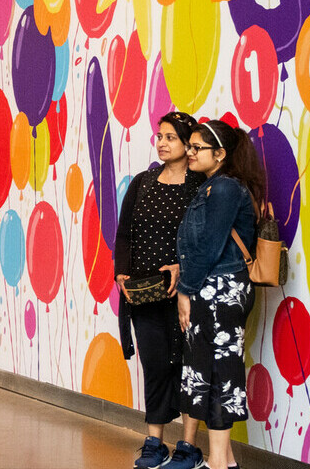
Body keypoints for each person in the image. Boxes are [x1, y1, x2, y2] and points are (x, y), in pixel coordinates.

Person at [166, 119, 268, 469]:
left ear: (220, 154)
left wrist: (185, 291)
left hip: (220, 290)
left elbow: (209, 248)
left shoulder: (224, 189)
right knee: (208, 371)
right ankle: (224, 461)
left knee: (220, 371)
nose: (190, 153)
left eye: (197, 148)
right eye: (189, 147)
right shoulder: (213, 187)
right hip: (212, 290)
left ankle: (218, 463)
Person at [114, 112, 205, 469]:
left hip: (187, 293)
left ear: (187, 144)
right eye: (159, 136)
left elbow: (206, 239)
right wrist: (122, 273)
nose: (162, 143)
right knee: (154, 364)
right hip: (144, 294)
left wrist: (184, 270)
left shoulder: (200, 186)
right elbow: (125, 234)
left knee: (189, 366)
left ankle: (188, 446)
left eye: (170, 137)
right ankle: (154, 441)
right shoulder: (143, 182)